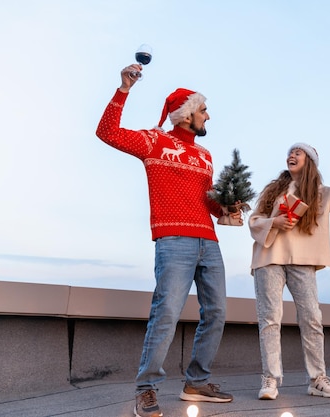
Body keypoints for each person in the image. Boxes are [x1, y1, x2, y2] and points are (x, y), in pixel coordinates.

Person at [96, 63, 238, 417]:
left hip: (209, 240)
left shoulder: (205, 156)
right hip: (173, 239)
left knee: (217, 312)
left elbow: (208, 201)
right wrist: (124, 89)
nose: (208, 116)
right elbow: (107, 132)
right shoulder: (154, 140)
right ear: (186, 114)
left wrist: (228, 206)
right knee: (167, 313)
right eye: (203, 109)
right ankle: (146, 389)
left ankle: (196, 382)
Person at [248, 139, 330, 400]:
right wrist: (275, 221)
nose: (292, 155)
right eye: (290, 152)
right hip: (270, 256)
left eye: (298, 152)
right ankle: (270, 379)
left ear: (309, 161)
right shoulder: (274, 190)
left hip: (304, 260)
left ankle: (317, 379)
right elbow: (254, 222)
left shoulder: (322, 192)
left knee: (312, 318)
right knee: (270, 319)